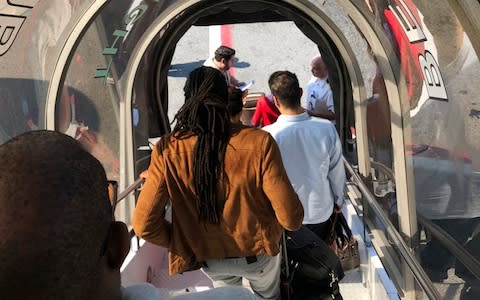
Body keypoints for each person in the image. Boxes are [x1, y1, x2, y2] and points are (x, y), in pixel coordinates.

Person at [0, 130, 259, 300]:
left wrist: (179, 241)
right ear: (119, 244)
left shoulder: (172, 154)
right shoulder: (237, 299)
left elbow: (146, 225)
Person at [133, 66, 304, 300]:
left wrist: (183, 238)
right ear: (225, 99)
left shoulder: (168, 148)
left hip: (208, 257)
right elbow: (291, 219)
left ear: (187, 99)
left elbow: (143, 224)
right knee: (268, 295)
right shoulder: (259, 142)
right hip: (258, 255)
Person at [263, 70, 346, 242]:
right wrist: (338, 200)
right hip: (321, 210)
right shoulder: (326, 129)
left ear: (276, 100)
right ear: (300, 93)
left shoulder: (266, 136)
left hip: (284, 215)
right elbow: (336, 171)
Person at [305, 55, 336, 122]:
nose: (312, 70)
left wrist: (311, 114)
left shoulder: (330, 90)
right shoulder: (315, 77)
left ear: (326, 69)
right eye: (311, 67)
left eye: (316, 68)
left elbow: (334, 115)